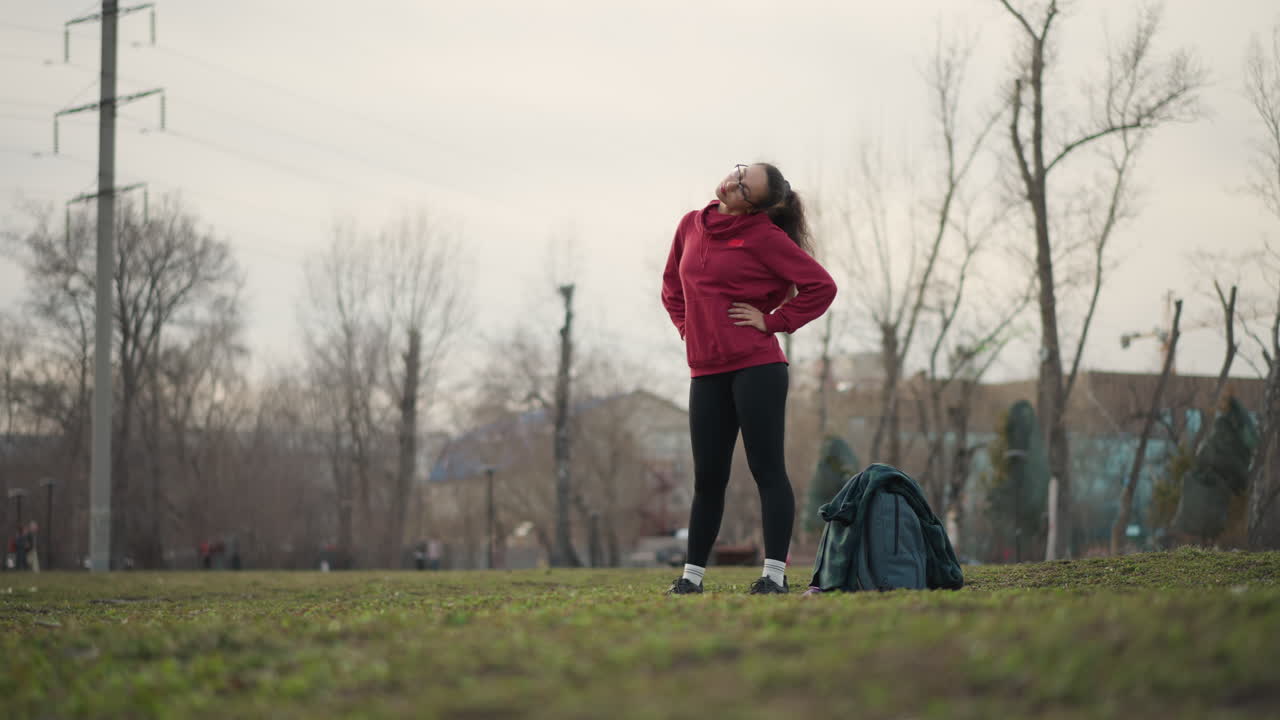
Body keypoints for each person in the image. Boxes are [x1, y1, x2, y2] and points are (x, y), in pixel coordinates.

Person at [661, 162, 837, 595]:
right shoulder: (690, 225)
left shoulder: (763, 236)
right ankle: (691, 578)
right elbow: (671, 287)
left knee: (767, 470)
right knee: (709, 478)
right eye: (738, 173)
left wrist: (773, 321)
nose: (732, 183)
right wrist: (689, 329)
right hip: (705, 371)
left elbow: (821, 286)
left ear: (755, 207)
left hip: (757, 368)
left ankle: (774, 576)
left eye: (744, 187)